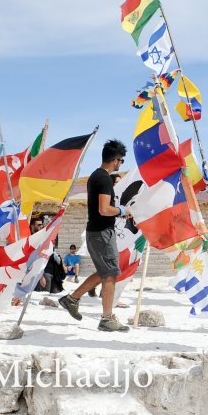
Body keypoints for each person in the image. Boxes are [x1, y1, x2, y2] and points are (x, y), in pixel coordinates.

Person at [58, 140, 130, 332]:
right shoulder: (104, 179)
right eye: (121, 161)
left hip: (97, 232)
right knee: (110, 274)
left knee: (106, 272)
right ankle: (106, 318)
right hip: (101, 233)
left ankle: (72, 299)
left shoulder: (95, 176)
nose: (120, 164)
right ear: (115, 160)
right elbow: (104, 209)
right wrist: (122, 210)